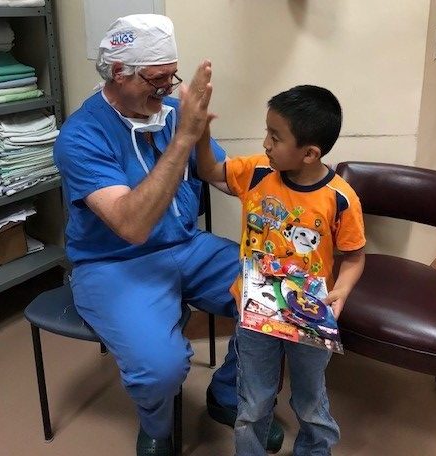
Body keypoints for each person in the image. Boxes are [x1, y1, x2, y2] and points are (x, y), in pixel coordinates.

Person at [53, 14, 283, 456]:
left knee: (277, 297)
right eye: (155, 79)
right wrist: (184, 140)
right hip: (113, 263)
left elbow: (221, 176)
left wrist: (308, 184)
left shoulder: (175, 114)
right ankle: (157, 428)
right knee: (160, 368)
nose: (166, 89)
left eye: (171, 77)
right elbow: (131, 226)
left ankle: (229, 395)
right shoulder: (81, 136)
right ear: (118, 72)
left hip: (186, 245)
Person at [196, 85, 366, 455]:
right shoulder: (257, 171)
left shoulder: (339, 198)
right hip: (255, 311)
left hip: (308, 313)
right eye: (266, 132)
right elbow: (208, 169)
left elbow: (354, 255)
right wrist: (201, 130)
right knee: (253, 402)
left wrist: (344, 290)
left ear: (309, 154)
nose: (266, 143)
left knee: (310, 401)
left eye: (276, 137)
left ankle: (315, 449)